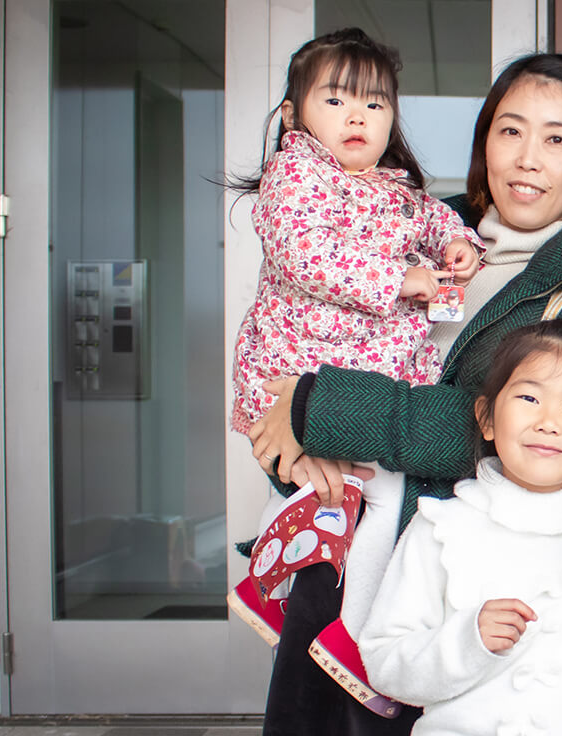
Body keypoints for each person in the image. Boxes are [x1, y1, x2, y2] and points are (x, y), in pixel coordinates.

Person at [245, 51, 562, 736]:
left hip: (461, 600)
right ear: (485, 140)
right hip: (335, 556)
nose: (527, 159)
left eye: (557, 139)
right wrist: (291, 439)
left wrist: (316, 408)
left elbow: (482, 430)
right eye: (510, 131)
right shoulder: (396, 235)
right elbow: (293, 347)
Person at [225, 23, 482, 677]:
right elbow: (306, 255)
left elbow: (438, 222)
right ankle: (285, 591)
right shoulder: (295, 177)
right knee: (342, 497)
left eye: (374, 102)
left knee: (375, 504)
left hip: (363, 382)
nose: (357, 116)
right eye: (335, 100)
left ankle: (340, 625)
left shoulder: (396, 192)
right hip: (298, 371)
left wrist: (459, 249)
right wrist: (404, 279)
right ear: (294, 115)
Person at [358, 320, 562, 734]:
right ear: (487, 418)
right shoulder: (442, 526)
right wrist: (468, 642)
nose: (549, 422)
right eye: (528, 397)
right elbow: (384, 663)